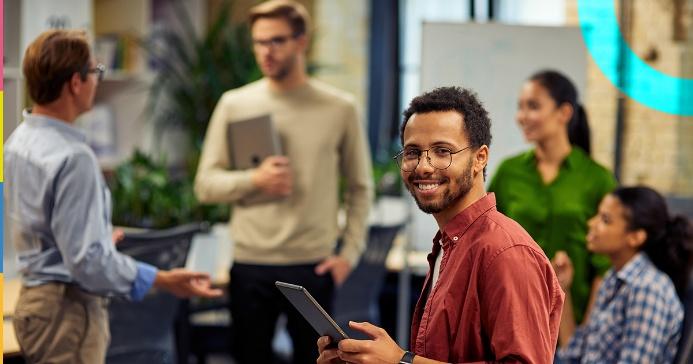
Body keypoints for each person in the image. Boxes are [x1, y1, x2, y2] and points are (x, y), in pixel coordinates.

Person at [3, 29, 223, 364]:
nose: (97, 81)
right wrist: (162, 278)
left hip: (34, 303)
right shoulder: (73, 157)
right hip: (68, 311)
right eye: (95, 72)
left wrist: (95, 237)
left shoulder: (18, 141)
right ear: (76, 82)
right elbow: (86, 262)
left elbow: (45, 227)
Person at [317, 86, 564, 364]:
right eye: (413, 153)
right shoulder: (449, 244)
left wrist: (402, 361)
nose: (423, 166)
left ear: (479, 158)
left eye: (442, 151)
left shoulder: (506, 253)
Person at [193, 1, 373, 363]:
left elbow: (360, 187)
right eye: (259, 42)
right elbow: (205, 185)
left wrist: (348, 255)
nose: (266, 51)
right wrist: (254, 180)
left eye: (276, 41)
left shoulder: (340, 108)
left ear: (301, 41)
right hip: (249, 264)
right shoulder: (234, 104)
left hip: (312, 265)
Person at [488, 70, 617, 326]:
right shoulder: (508, 172)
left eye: (533, 106)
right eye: (520, 107)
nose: (522, 116)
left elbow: (605, 266)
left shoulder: (597, 178)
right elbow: (486, 240)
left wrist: (584, 338)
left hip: (570, 324)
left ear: (564, 113)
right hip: (510, 317)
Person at [554, 186, 692, 363]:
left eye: (605, 220)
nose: (591, 223)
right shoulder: (614, 277)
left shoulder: (648, 289)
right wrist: (562, 287)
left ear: (635, 237)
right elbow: (573, 354)